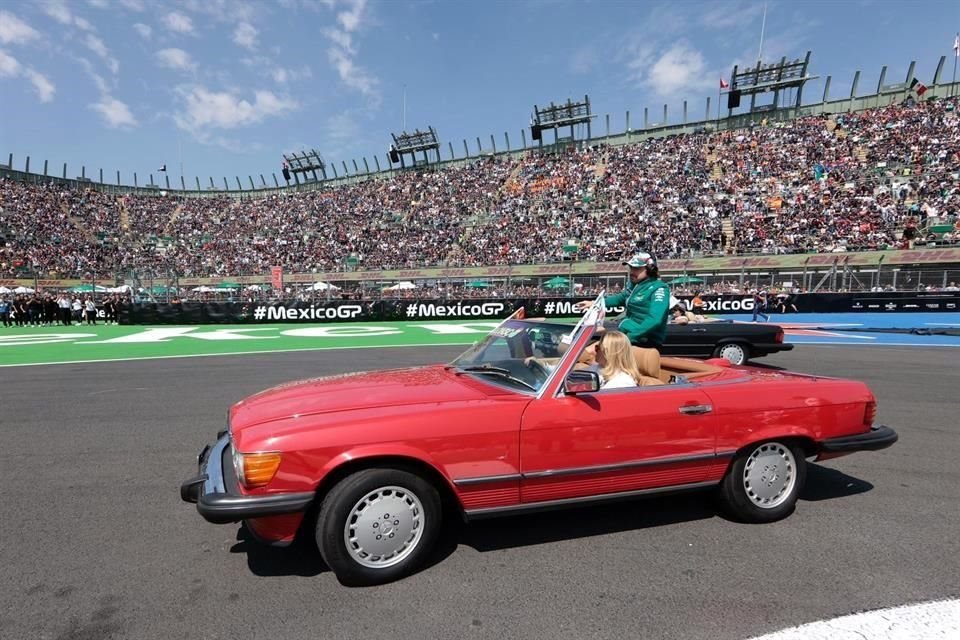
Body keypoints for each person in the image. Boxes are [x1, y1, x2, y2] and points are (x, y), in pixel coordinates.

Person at [577, 252, 671, 350]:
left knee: (594, 349)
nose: (631, 272)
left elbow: (655, 320)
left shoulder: (659, 288)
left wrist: (630, 337)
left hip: (645, 341)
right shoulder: (635, 285)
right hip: (628, 332)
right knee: (590, 343)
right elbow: (621, 298)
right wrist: (594, 303)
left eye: (637, 269)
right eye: (631, 268)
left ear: (650, 269)